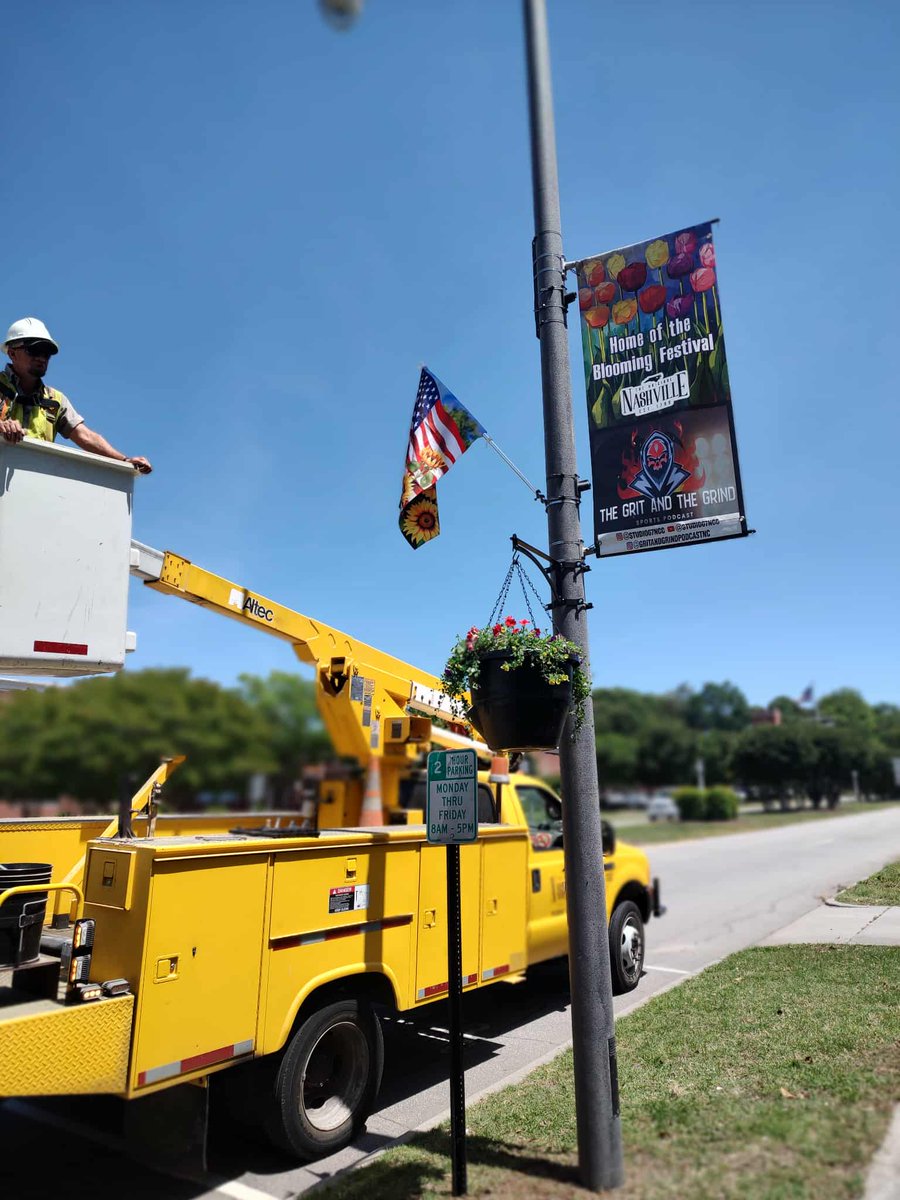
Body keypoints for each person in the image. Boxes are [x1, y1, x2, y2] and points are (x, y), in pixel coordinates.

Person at [0, 317, 152, 473]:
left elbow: (86, 436)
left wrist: (124, 460)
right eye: (34, 351)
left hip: (34, 480)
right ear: (12, 353)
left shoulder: (54, 400)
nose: (41, 358)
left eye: (47, 354)